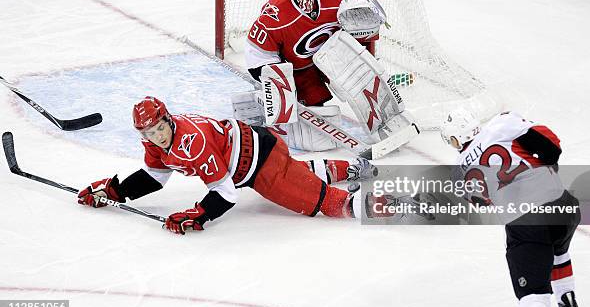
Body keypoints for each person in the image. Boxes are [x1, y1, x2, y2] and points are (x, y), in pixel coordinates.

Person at [77, 97, 381, 234]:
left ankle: (387, 205)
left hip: (261, 165)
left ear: (167, 120)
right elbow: (154, 177)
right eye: (148, 133)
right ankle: (351, 168)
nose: (156, 136)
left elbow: (225, 192)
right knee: (295, 172)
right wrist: (116, 191)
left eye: (159, 128)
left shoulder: (191, 141)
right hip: (255, 152)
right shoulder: (155, 144)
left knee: (320, 203)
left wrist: (201, 214)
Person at [235, 0, 416, 152]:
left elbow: (359, 14)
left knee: (364, 77)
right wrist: (278, 86)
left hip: (333, 56)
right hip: (299, 70)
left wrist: (363, 13)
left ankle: (389, 123)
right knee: (315, 110)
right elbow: (257, 53)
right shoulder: (276, 13)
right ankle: (260, 106)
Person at [441, 109, 581, 307]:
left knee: (533, 299)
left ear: (455, 139)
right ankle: (568, 305)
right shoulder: (502, 123)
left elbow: (483, 203)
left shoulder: (457, 173)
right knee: (557, 251)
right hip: (563, 206)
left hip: (526, 222)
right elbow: (550, 144)